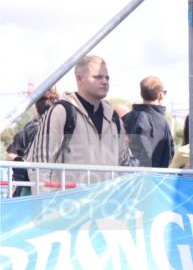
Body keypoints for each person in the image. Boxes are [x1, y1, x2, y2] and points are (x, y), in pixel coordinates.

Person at [25, 55, 133, 190]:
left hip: (107, 205)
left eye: (107, 77)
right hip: (66, 206)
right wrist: (45, 205)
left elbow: (124, 165)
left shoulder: (114, 118)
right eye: (97, 77)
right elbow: (40, 165)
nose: (105, 81)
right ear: (79, 78)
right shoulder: (61, 112)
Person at [6, 87, 59, 196]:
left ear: (36, 107)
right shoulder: (61, 129)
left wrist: (23, 166)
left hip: (28, 186)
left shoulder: (29, 128)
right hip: (51, 186)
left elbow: (11, 154)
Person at [124, 76, 174, 168]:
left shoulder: (126, 118)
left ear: (141, 93)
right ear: (161, 95)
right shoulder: (162, 122)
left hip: (128, 178)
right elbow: (168, 153)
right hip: (155, 178)